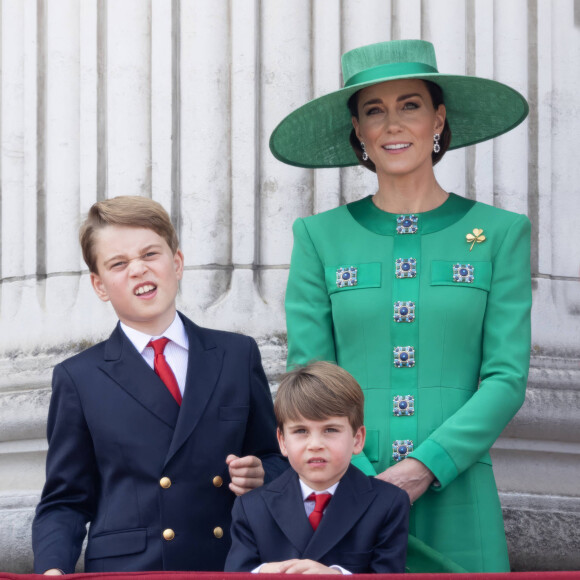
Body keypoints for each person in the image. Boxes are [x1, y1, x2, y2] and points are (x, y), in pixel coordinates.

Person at [271, 39, 532, 572]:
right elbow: (311, 379)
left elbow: (505, 376)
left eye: (409, 105)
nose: (393, 124)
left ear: (438, 119)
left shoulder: (502, 234)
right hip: (350, 495)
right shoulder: (319, 237)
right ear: (358, 133)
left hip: (459, 495)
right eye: (374, 110)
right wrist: (362, 476)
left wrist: (423, 467)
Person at [32, 196, 287, 574]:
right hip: (131, 569)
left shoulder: (236, 355)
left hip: (228, 560)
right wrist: (52, 568)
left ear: (177, 263)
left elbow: (279, 457)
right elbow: (66, 499)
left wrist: (264, 473)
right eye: (118, 263)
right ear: (99, 285)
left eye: (150, 254)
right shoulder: (78, 377)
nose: (138, 269)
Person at [225, 361, 409, 574]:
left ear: (357, 439)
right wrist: (264, 573)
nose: (315, 445)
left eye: (330, 430)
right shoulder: (251, 508)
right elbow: (237, 572)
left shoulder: (388, 504)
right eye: (301, 431)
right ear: (282, 441)